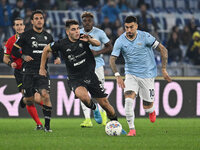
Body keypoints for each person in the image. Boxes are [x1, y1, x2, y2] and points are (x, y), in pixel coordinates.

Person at [39, 19, 126, 134]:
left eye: (77, 29)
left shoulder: (83, 38)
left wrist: (89, 40)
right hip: (75, 78)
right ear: (67, 32)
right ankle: (94, 108)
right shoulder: (62, 44)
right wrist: (42, 68)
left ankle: (117, 124)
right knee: (83, 96)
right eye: (73, 29)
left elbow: (98, 44)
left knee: (105, 103)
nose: (76, 31)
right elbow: (46, 49)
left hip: (90, 75)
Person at [110, 16, 172, 136]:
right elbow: (112, 59)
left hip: (147, 75)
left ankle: (151, 110)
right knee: (128, 100)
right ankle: (132, 130)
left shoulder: (145, 37)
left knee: (147, 106)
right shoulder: (120, 41)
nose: (129, 30)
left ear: (136, 26)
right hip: (131, 74)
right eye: (126, 27)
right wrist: (117, 75)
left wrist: (163, 69)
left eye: (131, 27)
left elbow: (163, 50)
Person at [12, 10, 56, 132]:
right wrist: (23, 56)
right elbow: (14, 51)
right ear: (32, 21)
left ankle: (47, 127)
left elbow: (55, 49)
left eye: (41, 18)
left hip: (42, 71)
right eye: (36, 18)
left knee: (45, 95)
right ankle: (25, 99)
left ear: (43, 20)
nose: (39, 20)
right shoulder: (25, 35)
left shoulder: (48, 36)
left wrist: (56, 57)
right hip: (28, 71)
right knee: (30, 100)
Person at [3, 17, 43, 130]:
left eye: (21, 24)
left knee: (36, 99)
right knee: (31, 97)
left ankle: (24, 99)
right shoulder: (10, 41)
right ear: (14, 27)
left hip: (32, 70)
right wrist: (11, 63)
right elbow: (5, 58)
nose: (19, 26)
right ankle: (39, 124)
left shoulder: (31, 38)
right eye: (17, 25)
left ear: (24, 26)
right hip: (20, 73)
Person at [79, 11, 113, 127]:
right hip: (82, 67)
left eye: (89, 20)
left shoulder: (99, 33)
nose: (87, 23)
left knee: (100, 92)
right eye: (85, 21)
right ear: (82, 22)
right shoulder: (78, 33)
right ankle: (87, 119)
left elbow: (110, 46)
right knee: (83, 92)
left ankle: (104, 117)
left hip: (97, 66)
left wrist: (97, 52)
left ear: (92, 22)